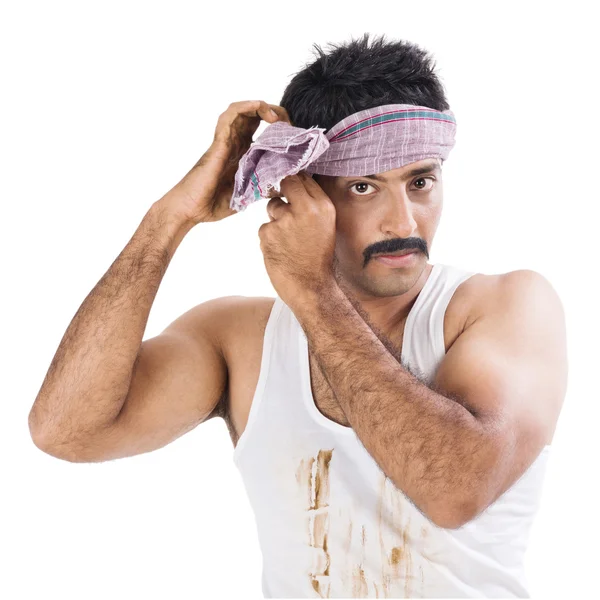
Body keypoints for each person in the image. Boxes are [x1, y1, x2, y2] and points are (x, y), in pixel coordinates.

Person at [28, 33, 567, 598]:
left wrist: (312, 291)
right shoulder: (237, 340)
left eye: (421, 182)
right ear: (298, 194)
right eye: (363, 187)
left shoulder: (507, 306)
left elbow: (454, 490)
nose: (402, 221)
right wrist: (169, 220)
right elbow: (66, 431)